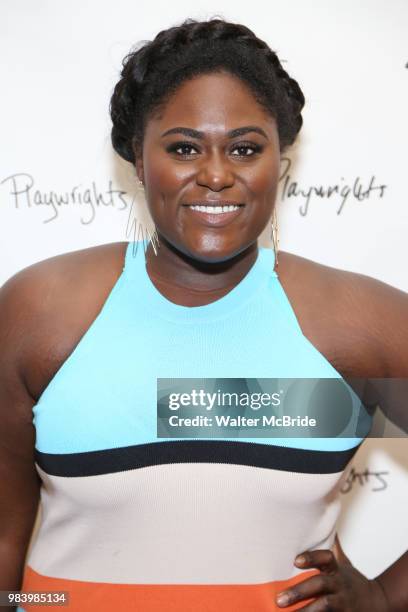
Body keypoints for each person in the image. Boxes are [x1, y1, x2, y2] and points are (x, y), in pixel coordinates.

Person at [0, 16, 407, 612]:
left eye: (245, 148)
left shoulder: (357, 323)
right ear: (137, 160)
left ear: (280, 162)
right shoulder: (40, 312)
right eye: (184, 147)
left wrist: (384, 599)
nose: (216, 175)